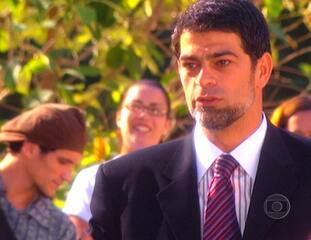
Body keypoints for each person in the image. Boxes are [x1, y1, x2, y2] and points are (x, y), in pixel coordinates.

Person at [90, 0, 311, 239]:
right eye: (191, 65)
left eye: (222, 63)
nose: (204, 79)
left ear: (262, 70)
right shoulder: (123, 184)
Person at [63, 79, 172, 239]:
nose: (143, 115)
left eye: (155, 110)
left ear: (167, 126)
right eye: (136, 106)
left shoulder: (181, 180)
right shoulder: (91, 178)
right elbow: (75, 233)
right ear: (119, 117)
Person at [0, 103, 87, 240]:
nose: (68, 177)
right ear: (30, 149)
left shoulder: (59, 229)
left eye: (72, 167)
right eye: (63, 162)